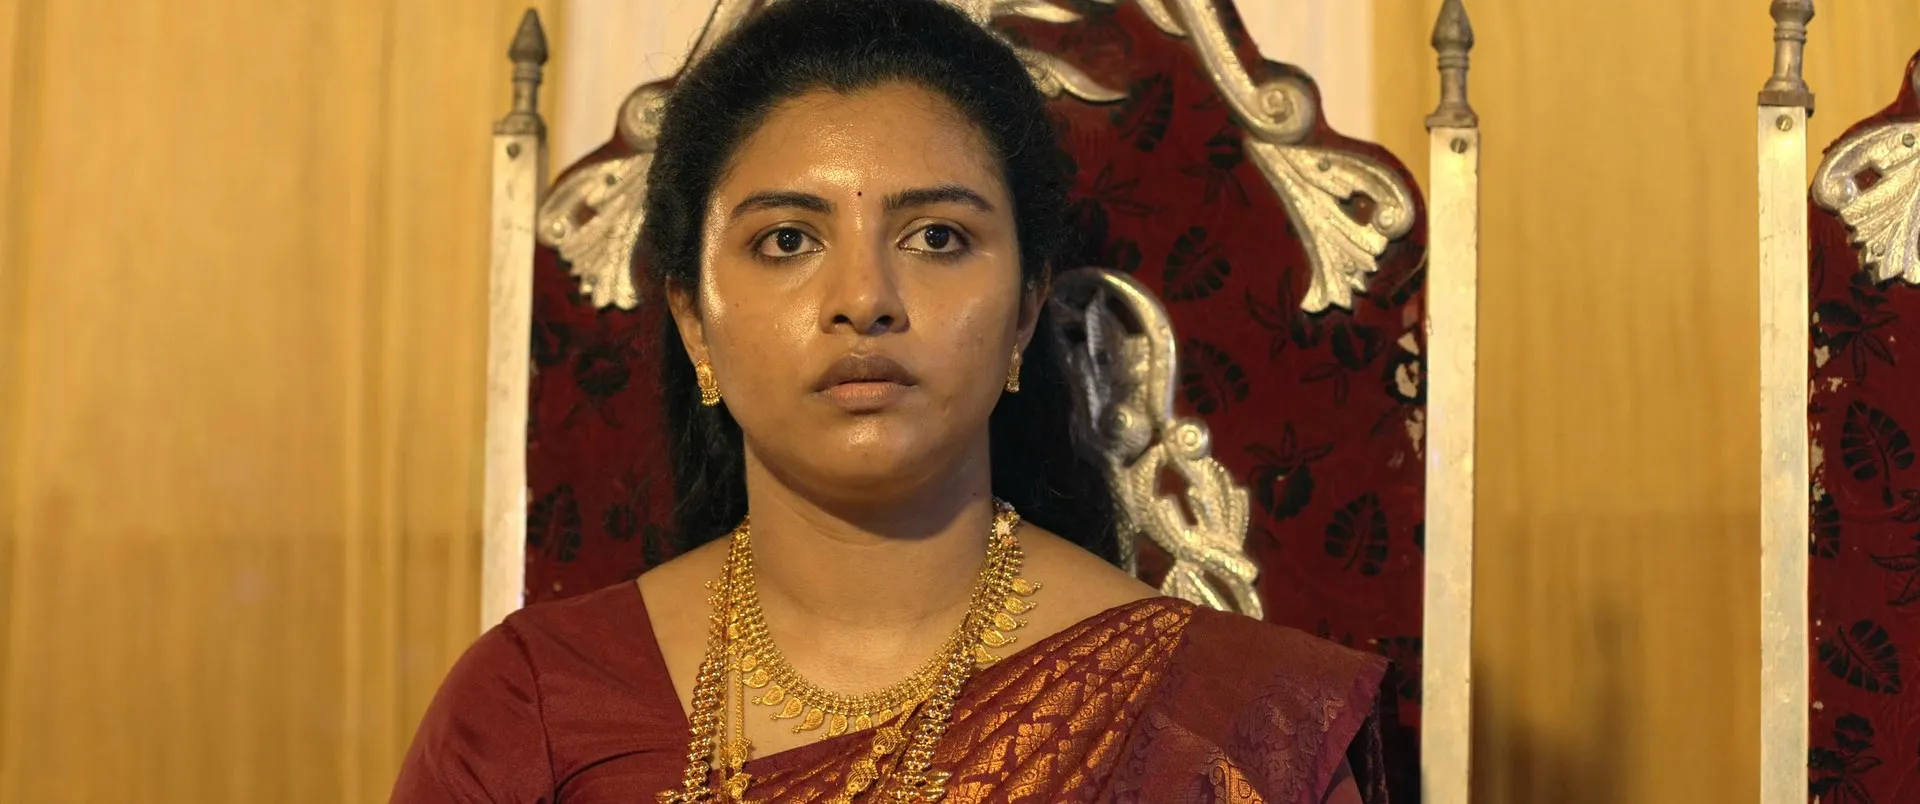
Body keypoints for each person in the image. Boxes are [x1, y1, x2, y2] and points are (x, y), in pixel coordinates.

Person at [392, 0, 1388, 801]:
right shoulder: (533, 709)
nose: (864, 299)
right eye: (787, 240)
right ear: (694, 322)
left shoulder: (1228, 728)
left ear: (1025, 310)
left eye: (938, 238)